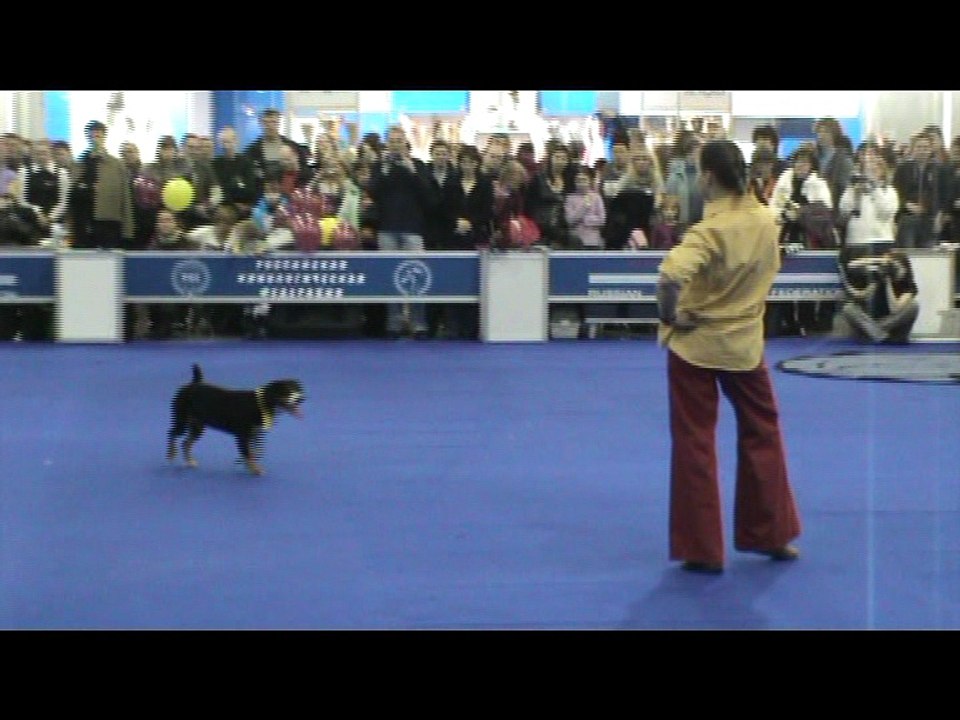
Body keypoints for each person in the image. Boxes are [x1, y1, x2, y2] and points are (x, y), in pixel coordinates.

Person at [655, 139, 802, 574]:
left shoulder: (707, 231)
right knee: (764, 434)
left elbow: (667, 278)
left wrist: (671, 317)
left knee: (695, 442)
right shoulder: (765, 221)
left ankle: (702, 549)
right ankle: (772, 535)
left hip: (695, 346)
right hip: (743, 347)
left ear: (709, 178)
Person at [68, 120, 134, 249]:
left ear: (104, 137)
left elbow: (125, 199)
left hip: (108, 223)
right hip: (82, 223)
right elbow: (70, 197)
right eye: (91, 136)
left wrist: (128, 230)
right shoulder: (78, 164)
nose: (95, 140)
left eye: (98, 136)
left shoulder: (116, 165)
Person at [836, 247, 919, 344]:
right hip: (878, 326)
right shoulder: (879, 277)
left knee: (913, 306)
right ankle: (880, 335)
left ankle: (875, 333)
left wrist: (888, 282)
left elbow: (895, 309)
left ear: (904, 268)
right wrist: (847, 281)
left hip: (894, 331)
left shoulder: (908, 287)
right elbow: (862, 296)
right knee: (848, 308)